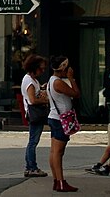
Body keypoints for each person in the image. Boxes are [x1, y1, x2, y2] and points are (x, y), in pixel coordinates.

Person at [47, 55, 81, 193]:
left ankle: (57, 180)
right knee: (58, 152)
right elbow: (76, 94)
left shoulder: (52, 80)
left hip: (55, 117)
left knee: (54, 151)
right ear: (63, 68)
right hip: (60, 119)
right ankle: (60, 181)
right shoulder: (58, 83)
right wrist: (71, 78)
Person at [20, 54, 49, 178]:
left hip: (34, 113)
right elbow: (32, 100)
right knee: (33, 141)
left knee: (32, 141)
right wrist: (46, 100)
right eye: (41, 69)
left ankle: (30, 167)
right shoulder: (29, 81)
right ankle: (32, 167)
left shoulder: (33, 80)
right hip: (34, 113)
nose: (42, 71)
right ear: (34, 67)